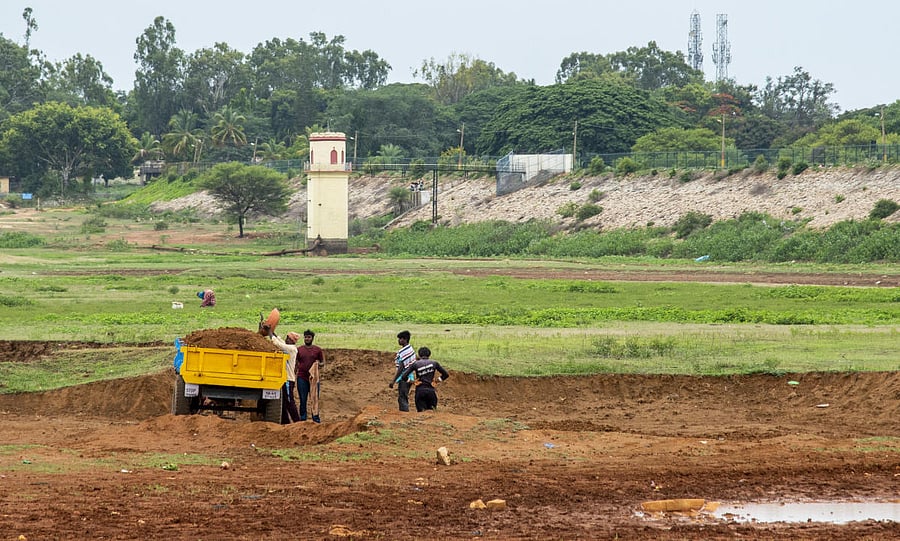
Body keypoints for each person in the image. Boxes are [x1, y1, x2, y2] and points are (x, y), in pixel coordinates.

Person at [393, 347, 449, 412]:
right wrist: (437, 381)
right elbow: (446, 374)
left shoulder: (416, 364)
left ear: (419, 355)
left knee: (421, 414)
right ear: (429, 354)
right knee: (432, 414)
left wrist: (413, 382)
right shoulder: (434, 363)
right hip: (431, 391)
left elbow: (404, 376)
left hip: (420, 391)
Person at [268, 331, 302, 424]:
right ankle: (285, 422)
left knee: (289, 401)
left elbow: (278, 343)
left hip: (288, 380)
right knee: (283, 402)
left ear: (291, 340)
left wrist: (269, 333)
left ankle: (297, 422)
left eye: (287, 338)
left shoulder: (292, 349)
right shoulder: (289, 347)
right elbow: (280, 341)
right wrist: (272, 332)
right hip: (284, 379)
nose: (286, 339)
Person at [295, 329, 325, 423]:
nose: (307, 339)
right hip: (301, 378)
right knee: (303, 400)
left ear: (312, 338)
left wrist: (318, 364)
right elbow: (296, 363)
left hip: (314, 379)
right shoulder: (299, 349)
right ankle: (303, 419)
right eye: (305, 337)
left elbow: (323, 362)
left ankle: (315, 419)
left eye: (309, 337)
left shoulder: (317, 350)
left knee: (314, 398)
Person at [389, 330, 416, 412]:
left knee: (402, 398)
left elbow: (401, 368)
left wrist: (393, 381)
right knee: (404, 396)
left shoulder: (404, 352)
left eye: (400, 339)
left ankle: (404, 415)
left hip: (404, 378)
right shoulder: (410, 350)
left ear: (405, 339)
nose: (399, 341)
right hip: (410, 377)